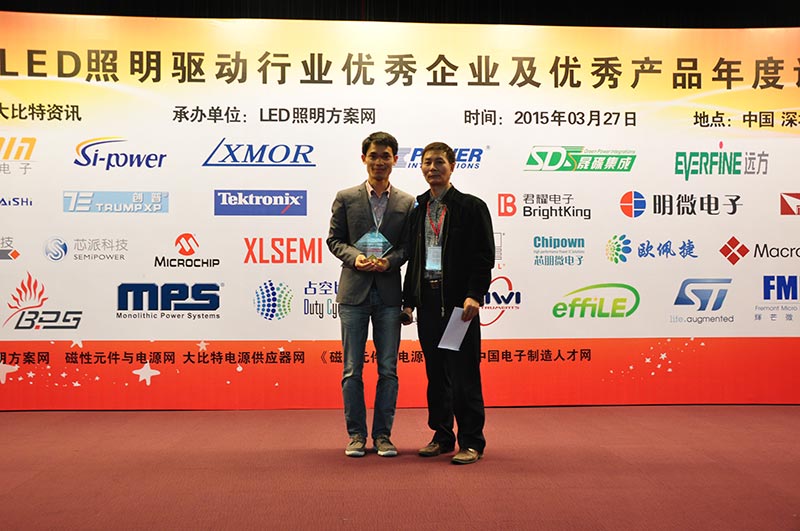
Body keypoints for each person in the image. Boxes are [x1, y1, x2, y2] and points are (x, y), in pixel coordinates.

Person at [401, 141, 495, 465]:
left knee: (463, 374)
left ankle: (472, 441)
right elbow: (414, 260)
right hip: (428, 303)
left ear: (452, 166)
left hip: (458, 306)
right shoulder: (418, 209)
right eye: (427, 162)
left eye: (439, 162)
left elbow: (483, 256)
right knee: (436, 373)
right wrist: (409, 301)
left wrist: (475, 294)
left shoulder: (470, 207)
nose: (433, 168)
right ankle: (442, 436)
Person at [327, 131, 415, 458]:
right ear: (364, 158)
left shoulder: (406, 202)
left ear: (395, 160)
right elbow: (334, 240)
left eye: (386, 156)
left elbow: (408, 246)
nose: (379, 162)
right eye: (374, 156)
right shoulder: (346, 197)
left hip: (389, 294)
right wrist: (355, 258)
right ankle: (355, 435)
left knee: (388, 369)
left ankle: (382, 436)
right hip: (354, 294)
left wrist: (390, 261)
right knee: (352, 369)